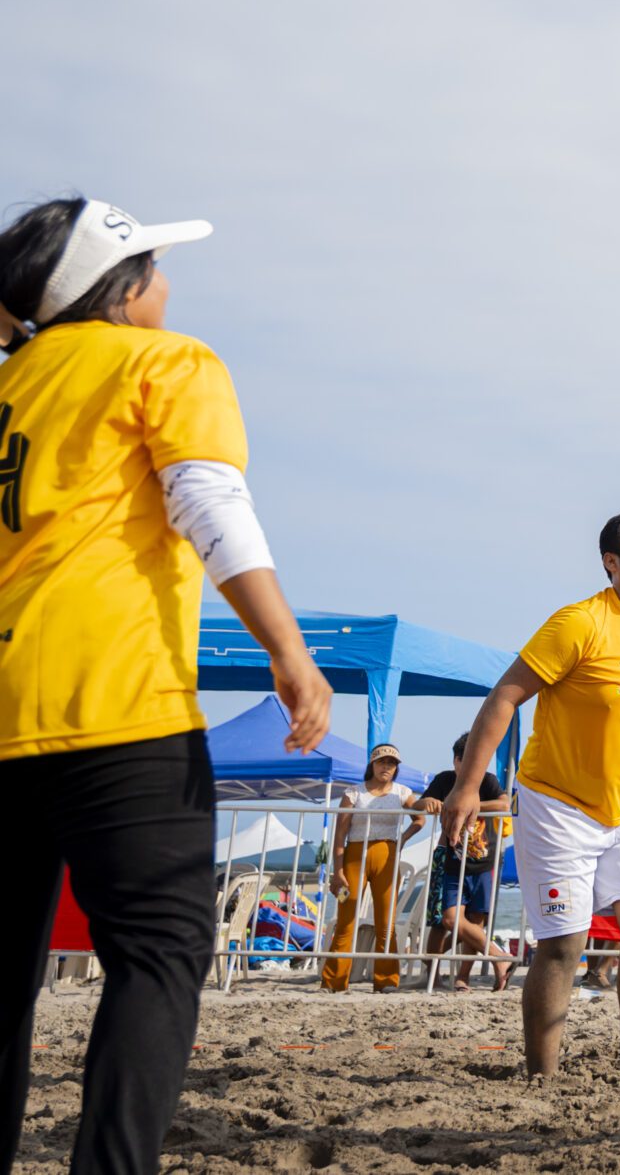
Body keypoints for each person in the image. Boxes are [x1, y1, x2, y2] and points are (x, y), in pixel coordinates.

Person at [0, 196, 331, 1174]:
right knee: (160, 953)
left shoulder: (13, 381)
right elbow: (208, 500)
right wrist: (287, 649)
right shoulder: (166, 361)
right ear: (123, 288)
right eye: (153, 267)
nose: (170, 285)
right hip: (114, 697)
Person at [440, 508, 620, 1076]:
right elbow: (504, 697)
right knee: (563, 944)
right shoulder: (580, 622)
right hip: (557, 802)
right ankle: (541, 1075)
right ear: (612, 562)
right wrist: (466, 787)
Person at [416, 734, 510, 991]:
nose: (473, 767)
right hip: (450, 860)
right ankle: (494, 957)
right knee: (443, 920)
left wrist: (471, 805)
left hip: (483, 861)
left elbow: (504, 804)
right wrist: (431, 802)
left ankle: (463, 976)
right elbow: (418, 803)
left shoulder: (488, 781)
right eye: (467, 761)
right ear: (456, 760)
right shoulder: (445, 779)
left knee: (475, 921)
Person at [322, 745, 416, 992]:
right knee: (346, 920)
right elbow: (340, 834)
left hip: (387, 855)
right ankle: (333, 982)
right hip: (355, 855)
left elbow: (419, 818)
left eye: (392, 763)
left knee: (386, 922)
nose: (386, 767)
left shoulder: (402, 792)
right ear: (372, 764)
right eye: (382, 762)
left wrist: (403, 838)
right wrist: (338, 870)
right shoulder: (353, 793)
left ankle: (386, 981)